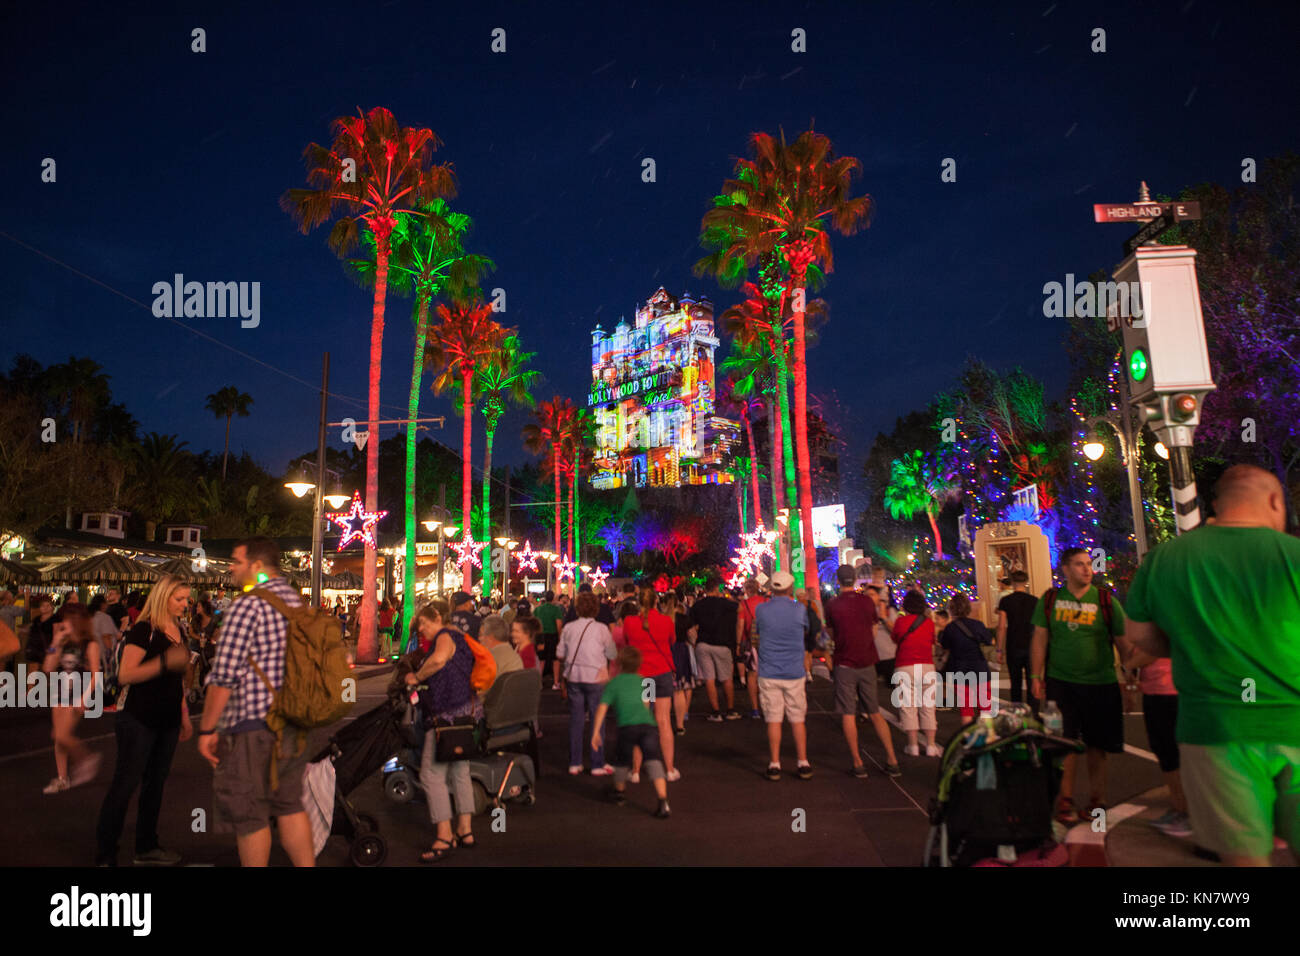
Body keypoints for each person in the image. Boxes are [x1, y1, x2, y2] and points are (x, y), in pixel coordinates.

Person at [1126, 465, 1300, 866]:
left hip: (1214, 728)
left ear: (1215, 504)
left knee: (1244, 858)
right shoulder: (1291, 553)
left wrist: (1194, 642)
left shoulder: (1167, 557)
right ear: (1275, 501)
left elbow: (1141, 636)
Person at [195, 537, 315, 867]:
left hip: (253, 725)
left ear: (256, 565)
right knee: (289, 806)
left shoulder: (247, 605)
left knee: (250, 814)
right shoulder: (296, 601)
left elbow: (224, 677)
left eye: (236, 561)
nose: (231, 567)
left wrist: (207, 729)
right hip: (292, 722)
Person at [95, 575, 193, 866]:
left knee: (156, 785)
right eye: (179, 599)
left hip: (168, 720)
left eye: (187, 599)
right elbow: (126, 675)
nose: (185, 604)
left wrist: (184, 716)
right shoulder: (143, 630)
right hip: (138, 718)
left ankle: (146, 846)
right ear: (163, 598)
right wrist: (164, 662)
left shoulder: (180, 631)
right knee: (125, 783)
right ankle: (106, 852)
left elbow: (178, 683)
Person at [1030, 547, 1129, 826]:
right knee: (1064, 744)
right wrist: (1036, 678)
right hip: (1061, 684)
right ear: (1065, 569)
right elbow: (1040, 638)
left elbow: (1123, 642)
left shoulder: (1106, 601)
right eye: (1079, 564)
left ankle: (1098, 800)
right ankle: (1065, 800)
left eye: (1089, 564)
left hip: (1101, 684)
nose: (1087, 569)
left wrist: (1130, 680)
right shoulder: (1050, 600)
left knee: (1098, 746)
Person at [402, 600, 481, 862]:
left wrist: (417, 677)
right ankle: (465, 830)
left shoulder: (446, 635)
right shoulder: (461, 636)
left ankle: (444, 835)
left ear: (436, 616)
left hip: (445, 715)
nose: (421, 629)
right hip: (465, 711)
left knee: (430, 775)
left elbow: (437, 661)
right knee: (460, 770)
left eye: (424, 623)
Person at [825, 565, 901, 778]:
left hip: (844, 663)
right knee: (875, 712)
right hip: (867, 661)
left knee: (848, 714)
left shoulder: (832, 605)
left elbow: (831, 634)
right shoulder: (867, 602)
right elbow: (874, 629)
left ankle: (858, 763)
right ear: (855, 579)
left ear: (838, 581)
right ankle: (892, 759)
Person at [592, 645, 672, 818]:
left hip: (627, 727)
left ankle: (619, 793)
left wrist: (596, 731)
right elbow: (647, 706)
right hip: (648, 726)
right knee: (654, 762)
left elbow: (602, 708)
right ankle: (663, 801)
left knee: (621, 762)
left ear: (620, 664)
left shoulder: (614, 683)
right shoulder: (647, 681)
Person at [753, 571, 813, 780]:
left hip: (769, 670)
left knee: (773, 719)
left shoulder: (761, 610)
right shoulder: (799, 610)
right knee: (797, 719)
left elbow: (757, 635)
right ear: (789, 589)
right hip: (794, 671)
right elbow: (806, 631)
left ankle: (775, 762)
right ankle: (803, 761)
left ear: (772, 589)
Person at [620, 587, 682, 782]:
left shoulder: (630, 622)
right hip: (662, 672)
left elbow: (626, 642)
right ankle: (670, 769)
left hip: (643, 675)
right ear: (657, 602)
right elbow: (672, 640)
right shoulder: (666, 621)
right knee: (663, 721)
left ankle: (636, 771)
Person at [41, 604, 102, 793]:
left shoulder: (90, 644)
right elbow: (47, 668)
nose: (62, 622)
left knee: (60, 735)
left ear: (77, 621)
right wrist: (55, 642)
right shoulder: (63, 642)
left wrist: (85, 698)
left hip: (76, 695)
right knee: (58, 740)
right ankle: (62, 778)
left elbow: (95, 674)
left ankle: (86, 758)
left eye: (66, 618)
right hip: (58, 693)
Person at [556, 590, 617, 775]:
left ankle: (575, 762)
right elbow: (612, 654)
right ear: (596, 609)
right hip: (597, 677)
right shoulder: (601, 629)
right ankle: (597, 762)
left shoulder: (568, 629)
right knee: (598, 721)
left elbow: (559, 654)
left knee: (576, 720)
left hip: (574, 676)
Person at [891, 590, 941, 756]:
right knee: (928, 706)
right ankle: (931, 745)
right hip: (927, 666)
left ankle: (912, 745)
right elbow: (932, 641)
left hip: (905, 666)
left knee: (908, 706)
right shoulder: (929, 623)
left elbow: (895, 638)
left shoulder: (900, 622)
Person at [689, 575, 740, 721]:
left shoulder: (698, 605)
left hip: (703, 643)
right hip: (722, 643)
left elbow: (692, 627)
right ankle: (730, 710)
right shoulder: (725, 603)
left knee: (709, 679)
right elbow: (740, 608)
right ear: (717, 588)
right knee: (726, 678)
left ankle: (716, 712)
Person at [939, 594, 995, 723]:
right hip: (979, 667)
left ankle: (969, 737)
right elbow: (990, 641)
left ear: (951, 609)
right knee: (985, 706)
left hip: (960, 669)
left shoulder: (950, 628)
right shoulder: (978, 624)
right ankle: (988, 737)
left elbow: (945, 646)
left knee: (966, 707)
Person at [996, 570, 1038, 705]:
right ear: (1026, 582)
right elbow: (1039, 627)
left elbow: (1001, 626)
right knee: (1033, 680)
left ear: (1013, 583)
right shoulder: (1034, 601)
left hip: (1013, 645)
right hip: (1031, 646)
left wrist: (999, 649)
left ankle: (1017, 712)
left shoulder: (1006, 601)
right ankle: (1034, 714)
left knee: (1015, 682)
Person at [661, 591, 694, 735]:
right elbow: (693, 636)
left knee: (651, 690)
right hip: (680, 652)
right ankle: (680, 724)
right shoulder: (683, 619)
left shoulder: (658, 620)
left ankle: (654, 721)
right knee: (679, 690)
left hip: (658, 655)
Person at [735, 578, 767, 718]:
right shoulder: (766, 602)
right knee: (766, 675)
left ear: (747, 590)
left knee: (752, 675)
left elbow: (740, 626)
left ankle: (755, 709)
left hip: (751, 642)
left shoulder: (743, 604)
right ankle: (767, 705)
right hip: (767, 641)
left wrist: (738, 644)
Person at [533, 590, 564, 689]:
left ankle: (539, 682)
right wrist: (560, 637)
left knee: (541, 659)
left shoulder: (538, 609)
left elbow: (534, 623)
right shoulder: (556, 609)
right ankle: (555, 682)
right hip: (552, 636)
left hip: (541, 636)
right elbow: (558, 624)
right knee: (555, 659)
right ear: (554, 598)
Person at [479, 613, 523, 682]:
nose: (479, 638)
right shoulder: (514, 655)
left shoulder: (490, 660)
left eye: (481, 635)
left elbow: (481, 691)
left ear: (490, 637)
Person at [25, 594, 56, 665]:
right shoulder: (36, 619)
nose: (45, 608)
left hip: (48, 649)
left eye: (48, 605)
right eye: (43, 606)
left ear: (52, 607)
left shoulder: (55, 619)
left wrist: (53, 650)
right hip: (35, 649)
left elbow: (56, 635)